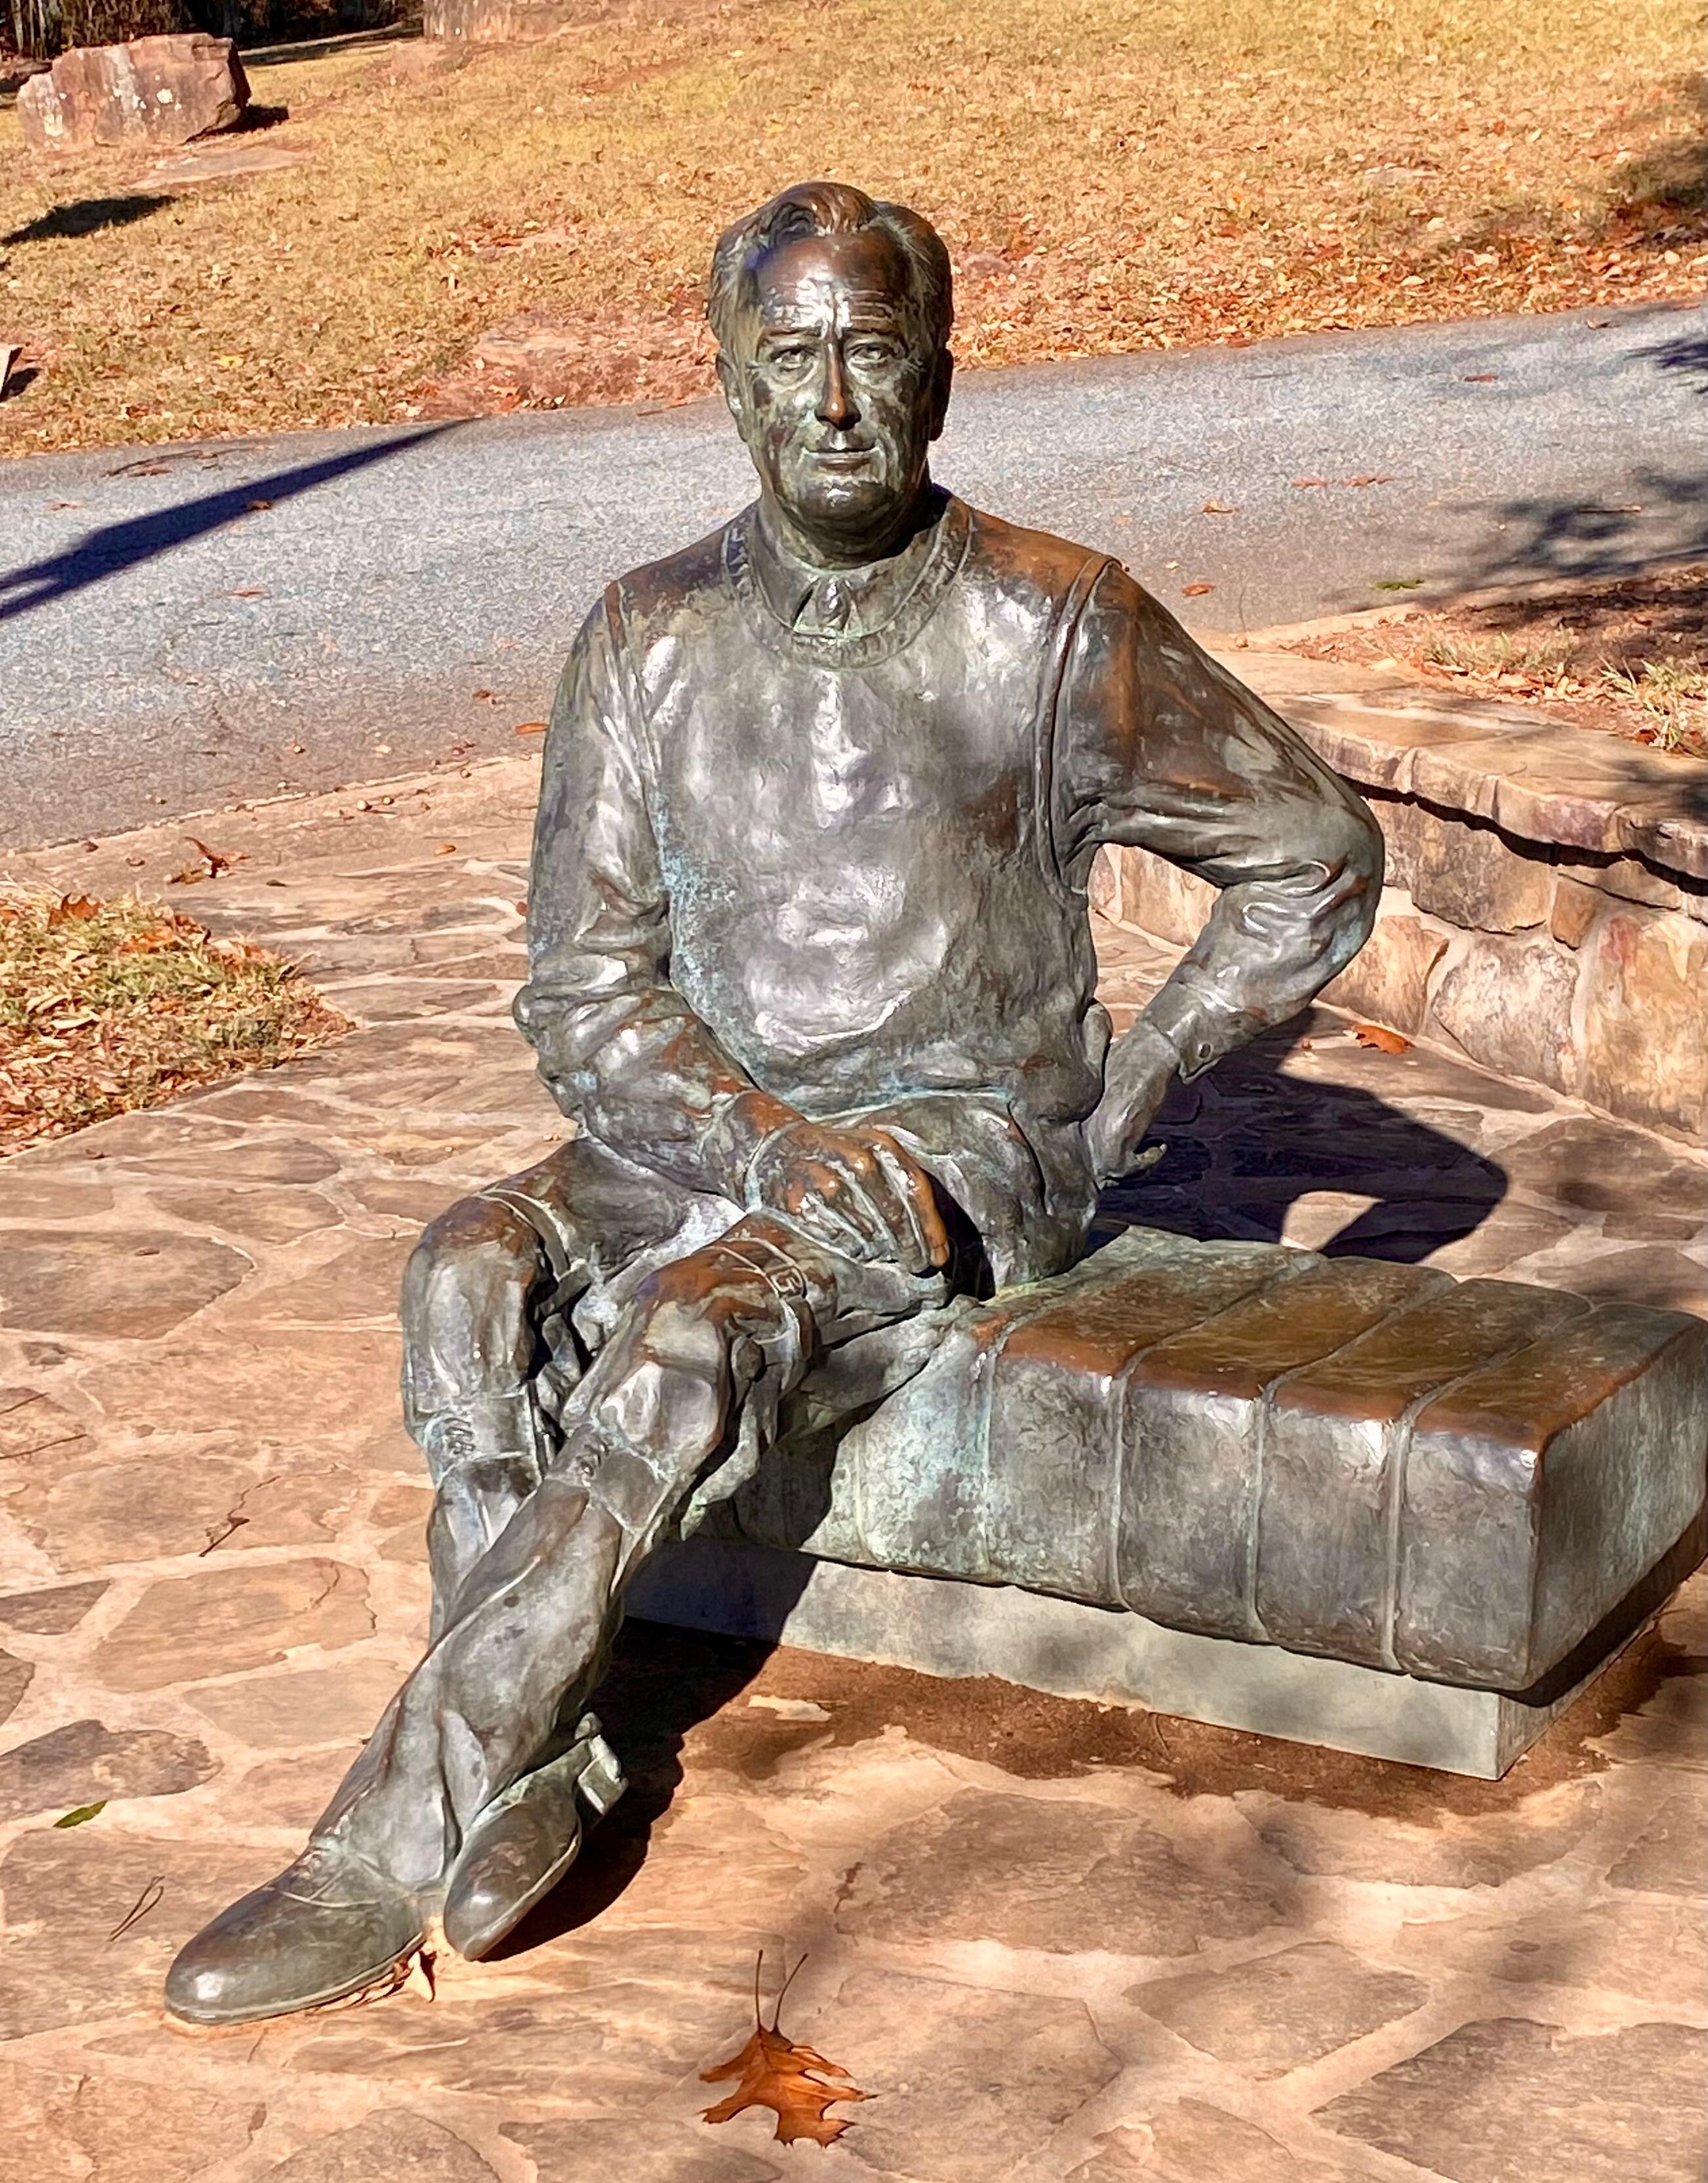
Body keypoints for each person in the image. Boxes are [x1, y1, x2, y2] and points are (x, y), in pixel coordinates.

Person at [166, 180, 1381, 2026]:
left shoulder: (1058, 628)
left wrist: (1114, 1102)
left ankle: (386, 1838)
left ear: (941, 380)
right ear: (729, 386)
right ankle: (543, 1746)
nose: (833, 403)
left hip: (945, 1156)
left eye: (873, 354)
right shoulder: (644, 637)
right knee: (467, 1271)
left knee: (683, 1334)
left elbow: (1313, 854)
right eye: (790, 358)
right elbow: (583, 988)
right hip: (710, 1127)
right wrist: (750, 1139)